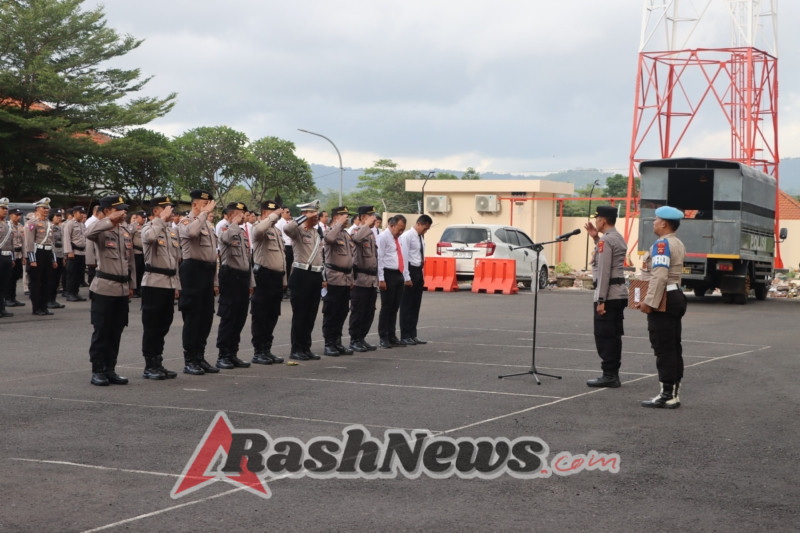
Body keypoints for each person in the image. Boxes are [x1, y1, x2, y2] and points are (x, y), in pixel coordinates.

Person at [636, 205, 687, 409]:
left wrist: (649, 302)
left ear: (664, 223)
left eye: (656, 219)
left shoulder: (662, 245)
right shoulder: (677, 242)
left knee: (663, 347)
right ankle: (672, 392)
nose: (654, 222)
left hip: (665, 298)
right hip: (674, 295)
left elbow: (659, 275)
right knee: (673, 347)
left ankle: (667, 394)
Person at [85, 195, 136, 386]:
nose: (124, 212)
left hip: (122, 289)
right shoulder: (100, 228)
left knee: (116, 330)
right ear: (107, 211)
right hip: (104, 287)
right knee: (102, 330)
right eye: (119, 209)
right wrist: (109, 220)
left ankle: (110, 368)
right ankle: (97, 370)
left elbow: (130, 261)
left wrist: (132, 285)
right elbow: (88, 233)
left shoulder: (124, 231)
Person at [584, 206, 628, 388]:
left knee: (605, 336)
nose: (596, 221)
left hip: (608, 295)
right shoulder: (616, 238)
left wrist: (600, 300)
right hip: (618, 294)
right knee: (614, 335)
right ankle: (612, 373)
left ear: (603, 220)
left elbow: (603, 272)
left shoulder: (606, 241)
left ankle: (609, 375)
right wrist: (595, 238)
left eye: (597, 218)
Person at [178, 190, 220, 376]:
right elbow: (192, 233)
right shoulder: (185, 221)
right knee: (193, 316)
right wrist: (203, 214)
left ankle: (200, 356)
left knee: (206, 317)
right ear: (195, 205)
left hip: (208, 272)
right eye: (205, 204)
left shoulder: (209, 224)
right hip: (192, 271)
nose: (209, 207)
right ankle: (190, 359)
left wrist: (215, 280)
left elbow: (214, 255)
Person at [140, 196, 181, 380]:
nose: (171, 212)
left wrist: (177, 285)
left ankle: (158, 361)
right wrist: (160, 220)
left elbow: (175, 262)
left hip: (169, 283)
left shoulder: (170, 232)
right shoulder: (150, 228)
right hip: (154, 283)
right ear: (156, 211)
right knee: (152, 326)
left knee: (164, 324)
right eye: (166, 209)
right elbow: (149, 238)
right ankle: (150, 365)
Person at [215, 202, 254, 369]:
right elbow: (224, 240)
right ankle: (223, 354)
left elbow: (247, 259)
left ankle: (233, 353)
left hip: (243, 278)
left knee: (240, 317)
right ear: (230, 215)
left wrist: (251, 281)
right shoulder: (225, 229)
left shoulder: (243, 232)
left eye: (243, 213)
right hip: (230, 276)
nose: (242, 216)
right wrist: (232, 224)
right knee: (229, 317)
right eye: (239, 213)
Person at [283, 200, 324, 361]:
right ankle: (296, 349)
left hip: (315, 275)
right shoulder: (298, 230)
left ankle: (306, 347)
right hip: (301, 274)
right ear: (305, 214)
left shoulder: (316, 232)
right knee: (300, 314)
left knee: (311, 314)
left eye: (317, 215)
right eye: (313, 215)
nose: (316, 218)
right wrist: (303, 217)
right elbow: (287, 228)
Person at [249, 199, 287, 365]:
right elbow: (257, 232)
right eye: (274, 213)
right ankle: (259, 351)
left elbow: (282, 256)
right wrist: (272, 217)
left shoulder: (276, 231)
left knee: (272, 314)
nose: (278, 216)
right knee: (261, 315)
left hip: (276, 278)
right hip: (263, 276)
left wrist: (284, 278)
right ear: (265, 213)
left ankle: (267, 349)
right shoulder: (258, 227)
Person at [322, 206, 356, 356]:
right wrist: (337, 224)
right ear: (335, 217)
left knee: (342, 311)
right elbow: (329, 239)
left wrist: (352, 277)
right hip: (334, 277)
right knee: (332, 311)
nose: (347, 218)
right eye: (343, 216)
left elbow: (350, 257)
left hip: (346, 278)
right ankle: (329, 343)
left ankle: (337, 342)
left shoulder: (345, 234)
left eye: (347, 216)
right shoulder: (331, 231)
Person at [377, 215, 412, 348]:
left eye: (403, 229)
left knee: (394, 307)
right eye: (399, 229)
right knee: (386, 307)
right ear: (391, 226)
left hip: (398, 274)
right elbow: (379, 258)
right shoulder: (383, 237)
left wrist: (405, 275)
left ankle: (392, 335)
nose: (401, 232)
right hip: (387, 273)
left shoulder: (399, 239)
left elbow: (402, 257)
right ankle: (383, 336)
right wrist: (381, 278)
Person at [348, 206, 379, 352]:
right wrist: (366, 225)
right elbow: (356, 239)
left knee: (369, 311)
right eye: (371, 216)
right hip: (360, 279)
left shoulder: (371, 234)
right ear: (363, 218)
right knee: (358, 311)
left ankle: (362, 338)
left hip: (371, 279)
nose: (374, 219)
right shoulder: (356, 231)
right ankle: (354, 339)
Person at [399, 214, 432, 345]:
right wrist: (406, 277)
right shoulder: (407, 236)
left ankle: (413, 334)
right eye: (424, 228)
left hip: (418, 271)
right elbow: (404, 257)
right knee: (407, 305)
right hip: (410, 271)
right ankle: (405, 335)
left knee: (415, 305)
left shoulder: (419, 237)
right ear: (419, 224)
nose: (425, 231)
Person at [24, 198, 58, 316]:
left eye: (48, 208)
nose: (46, 210)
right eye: (44, 208)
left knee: (47, 281)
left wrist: (54, 259)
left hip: (48, 253)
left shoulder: (49, 224)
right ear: (38, 209)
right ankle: (36, 307)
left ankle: (44, 306)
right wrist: (32, 259)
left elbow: (51, 242)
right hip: (37, 253)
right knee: (36, 282)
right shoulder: (32, 223)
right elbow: (29, 242)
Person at [62, 205, 88, 301]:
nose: (82, 215)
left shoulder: (82, 224)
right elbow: (67, 238)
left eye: (83, 213)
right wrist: (69, 252)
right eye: (80, 213)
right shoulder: (70, 224)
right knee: (71, 274)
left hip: (81, 253)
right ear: (75, 213)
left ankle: (76, 293)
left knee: (79, 274)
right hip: (73, 252)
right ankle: (70, 293)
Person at [4, 208, 24, 308]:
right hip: (11, 254)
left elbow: (23, 242)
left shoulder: (20, 226)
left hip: (19, 255)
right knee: (9, 278)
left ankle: (13, 298)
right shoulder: (7, 225)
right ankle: (7, 298)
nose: (19, 217)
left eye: (20, 215)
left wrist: (24, 256)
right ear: (11, 215)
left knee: (15, 277)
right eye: (16, 215)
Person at [46, 208, 66, 309]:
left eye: (60, 216)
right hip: (52, 256)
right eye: (57, 216)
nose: (59, 218)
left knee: (57, 279)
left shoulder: (61, 227)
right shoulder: (50, 227)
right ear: (51, 217)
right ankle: (49, 300)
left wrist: (64, 256)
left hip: (60, 255)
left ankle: (53, 300)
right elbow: (51, 243)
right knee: (51, 279)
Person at [275, 207, 294, 299]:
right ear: (282, 213)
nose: (289, 213)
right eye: (287, 212)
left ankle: (287, 288)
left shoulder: (290, 222)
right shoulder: (279, 223)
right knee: (284, 268)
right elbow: (279, 235)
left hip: (291, 247)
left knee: (289, 268)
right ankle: (282, 289)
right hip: (285, 247)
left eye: (289, 212)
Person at [0, 198, 14, 318]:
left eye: (6, 208)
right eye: (2, 208)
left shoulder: (8, 224)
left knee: (4, 284)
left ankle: (2, 308)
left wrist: (12, 257)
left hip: (7, 256)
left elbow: (11, 243)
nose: (5, 210)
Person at [129, 210, 146, 297]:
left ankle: (140, 288)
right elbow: (129, 239)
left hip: (144, 253)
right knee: (136, 271)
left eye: (144, 217)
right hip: (136, 252)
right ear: (137, 217)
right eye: (142, 217)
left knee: (142, 272)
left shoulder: (146, 226)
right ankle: (134, 289)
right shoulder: (133, 226)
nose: (144, 219)